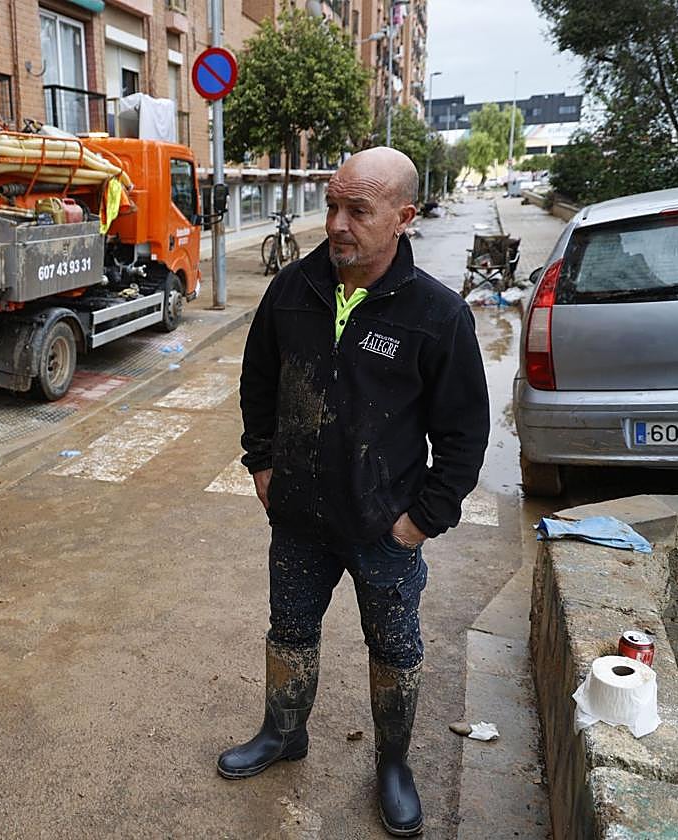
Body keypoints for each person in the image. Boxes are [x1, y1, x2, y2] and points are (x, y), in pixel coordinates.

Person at [221, 147, 489, 836]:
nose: (337, 224)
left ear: (404, 217)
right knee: (290, 630)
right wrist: (262, 463)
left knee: (395, 649)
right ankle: (283, 732)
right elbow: (258, 381)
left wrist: (419, 522)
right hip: (299, 518)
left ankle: (393, 766)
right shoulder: (293, 289)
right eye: (332, 205)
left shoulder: (437, 315)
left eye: (358, 210)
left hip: (383, 527)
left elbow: (463, 436)